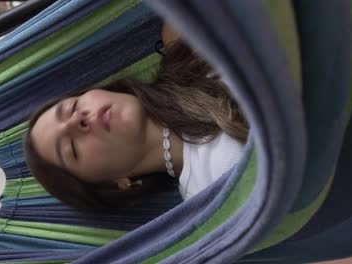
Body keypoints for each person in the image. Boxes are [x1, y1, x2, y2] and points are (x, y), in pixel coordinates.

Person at [24, 24, 248, 211]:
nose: (77, 120)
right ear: (116, 184)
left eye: (72, 107)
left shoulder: (180, 41)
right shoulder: (207, 199)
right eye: (71, 148)